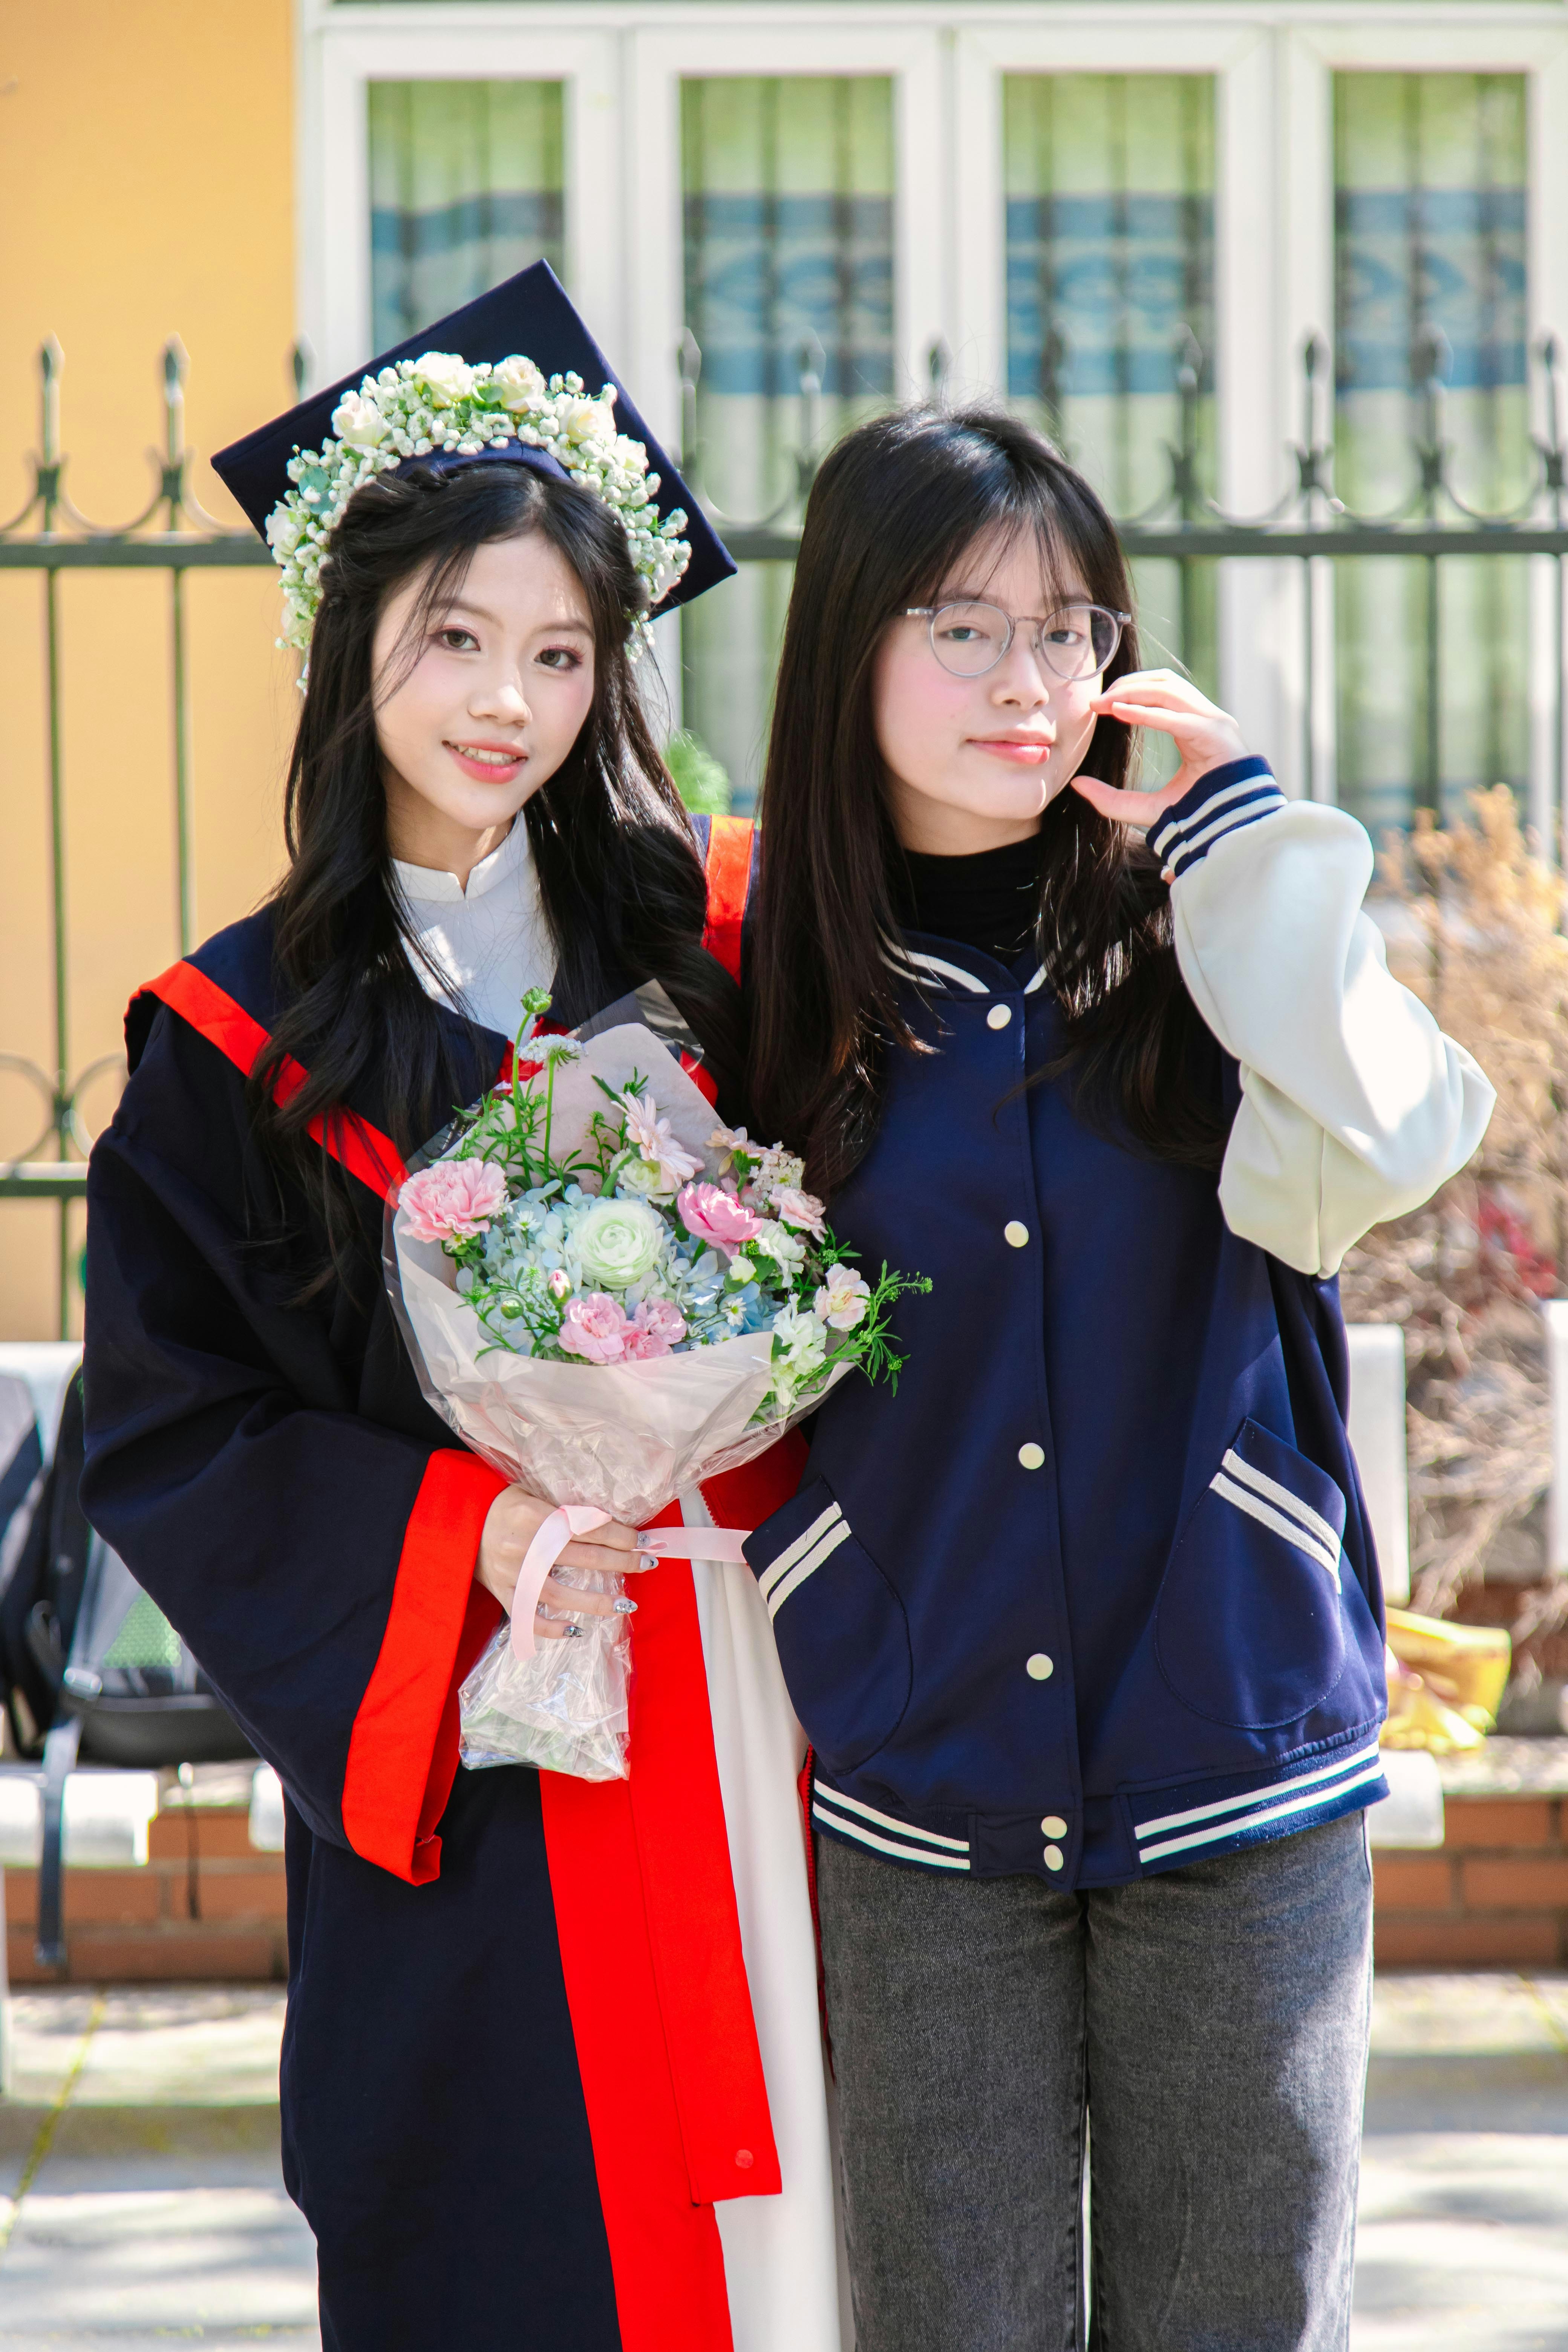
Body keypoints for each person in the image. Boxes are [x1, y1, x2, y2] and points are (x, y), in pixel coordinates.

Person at [79, 267, 842, 2352]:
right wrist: (482, 1537)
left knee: (832, 2231)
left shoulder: (710, 955)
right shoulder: (233, 1047)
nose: (507, 698)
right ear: (357, 651)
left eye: (560, 651)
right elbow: (166, 1426)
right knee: (518, 2243)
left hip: (775, 1697)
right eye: (454, 642)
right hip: (495, 1752)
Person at [740, 404, 1495, 2352]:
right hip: (925, 1797)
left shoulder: (1202, 944)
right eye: (965, 627)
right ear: (852, 651)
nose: (1030, 679)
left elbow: (1402, 1133)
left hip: (1236, 1767)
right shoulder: (776, 999)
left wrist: (1242, 847)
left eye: (1071, 628)